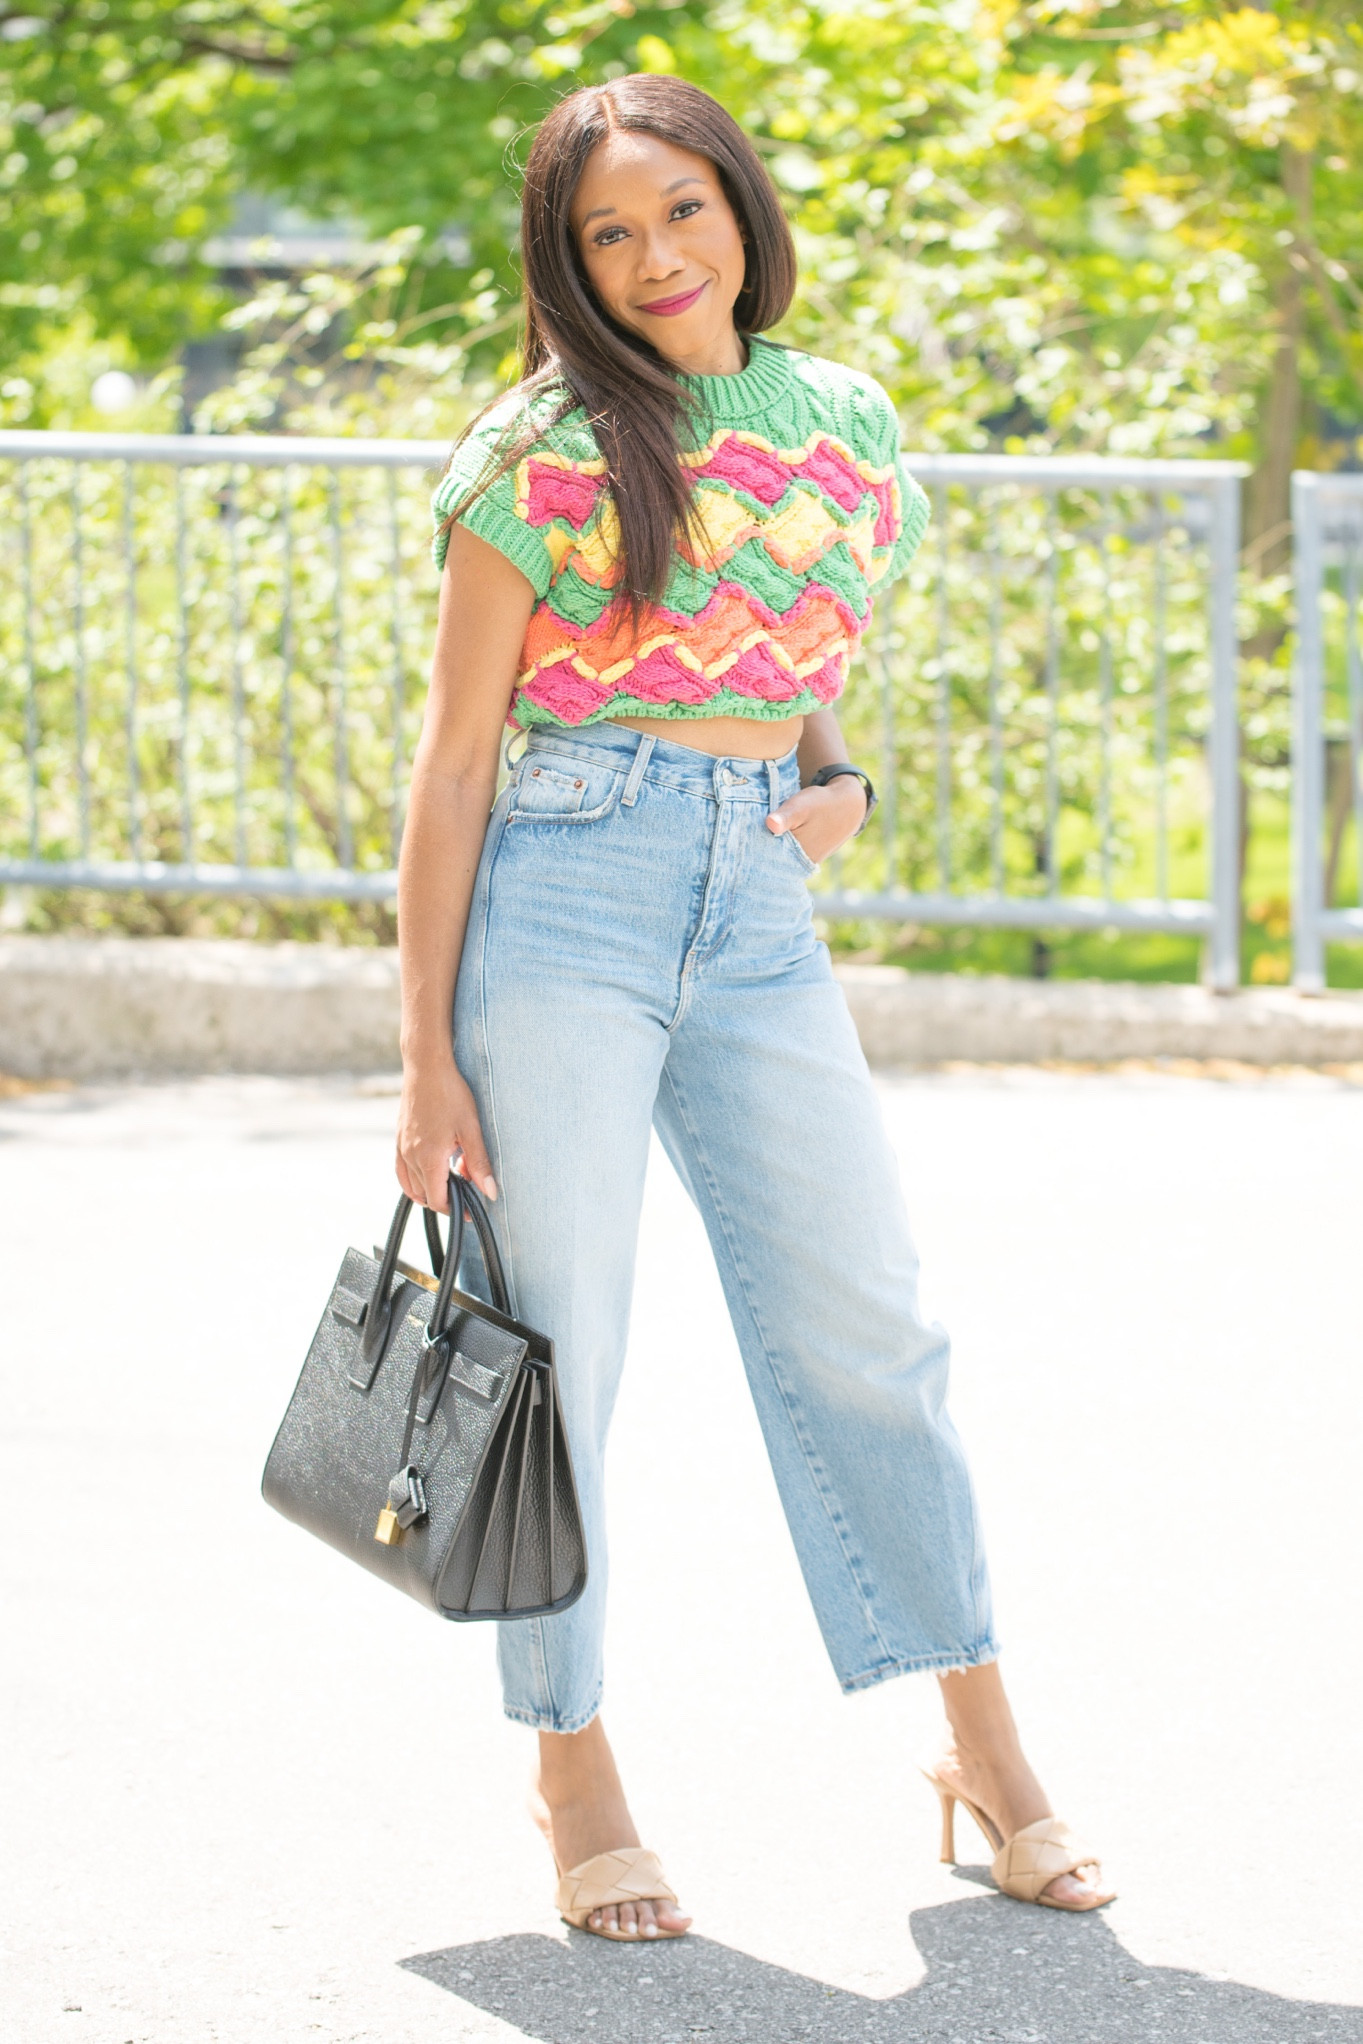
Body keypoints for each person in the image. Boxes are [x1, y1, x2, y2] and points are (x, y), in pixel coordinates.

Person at [395, 72, 1112, 1941]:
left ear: (741, 206)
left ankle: (985, 1748)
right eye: (608, 233)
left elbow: (785, 644)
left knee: (870, 1322)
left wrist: (837, 775)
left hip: (759, 901)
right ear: (568, 260)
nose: (655, 259)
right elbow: (456, 765)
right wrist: (421, 1061)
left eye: (681, 213)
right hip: (562, 890)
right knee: (563, 1355)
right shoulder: (534, 451)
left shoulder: (845, 425)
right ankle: (573, 1766)